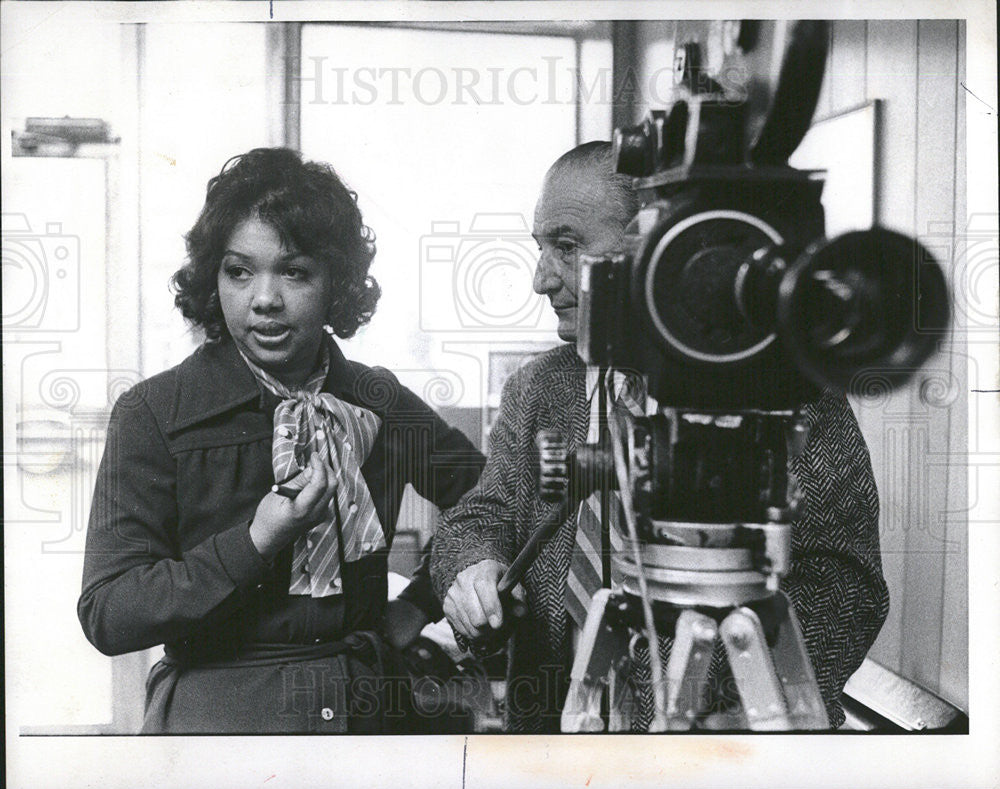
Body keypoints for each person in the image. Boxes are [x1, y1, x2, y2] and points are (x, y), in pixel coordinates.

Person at [431, 141, 890, 732]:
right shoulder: (539, 387)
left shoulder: (791, 395)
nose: (540, 279)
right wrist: (474, 566)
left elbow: (847, 589)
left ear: (649, 248)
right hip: (557, 733)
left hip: (728, 746)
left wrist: (708, 681)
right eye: (540, 248)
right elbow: (482, 515)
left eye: (566, 248)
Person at [78, 147, 484, 733]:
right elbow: (108, 613)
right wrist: (255, 541)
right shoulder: (152, 413)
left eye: (294, 271)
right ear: (212, 277)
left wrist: (420, 603)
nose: (264, 298)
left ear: (337, 284)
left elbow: (490, 498)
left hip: (369, 714)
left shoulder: (378, 399)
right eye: (238, 271)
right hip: (222, 724)